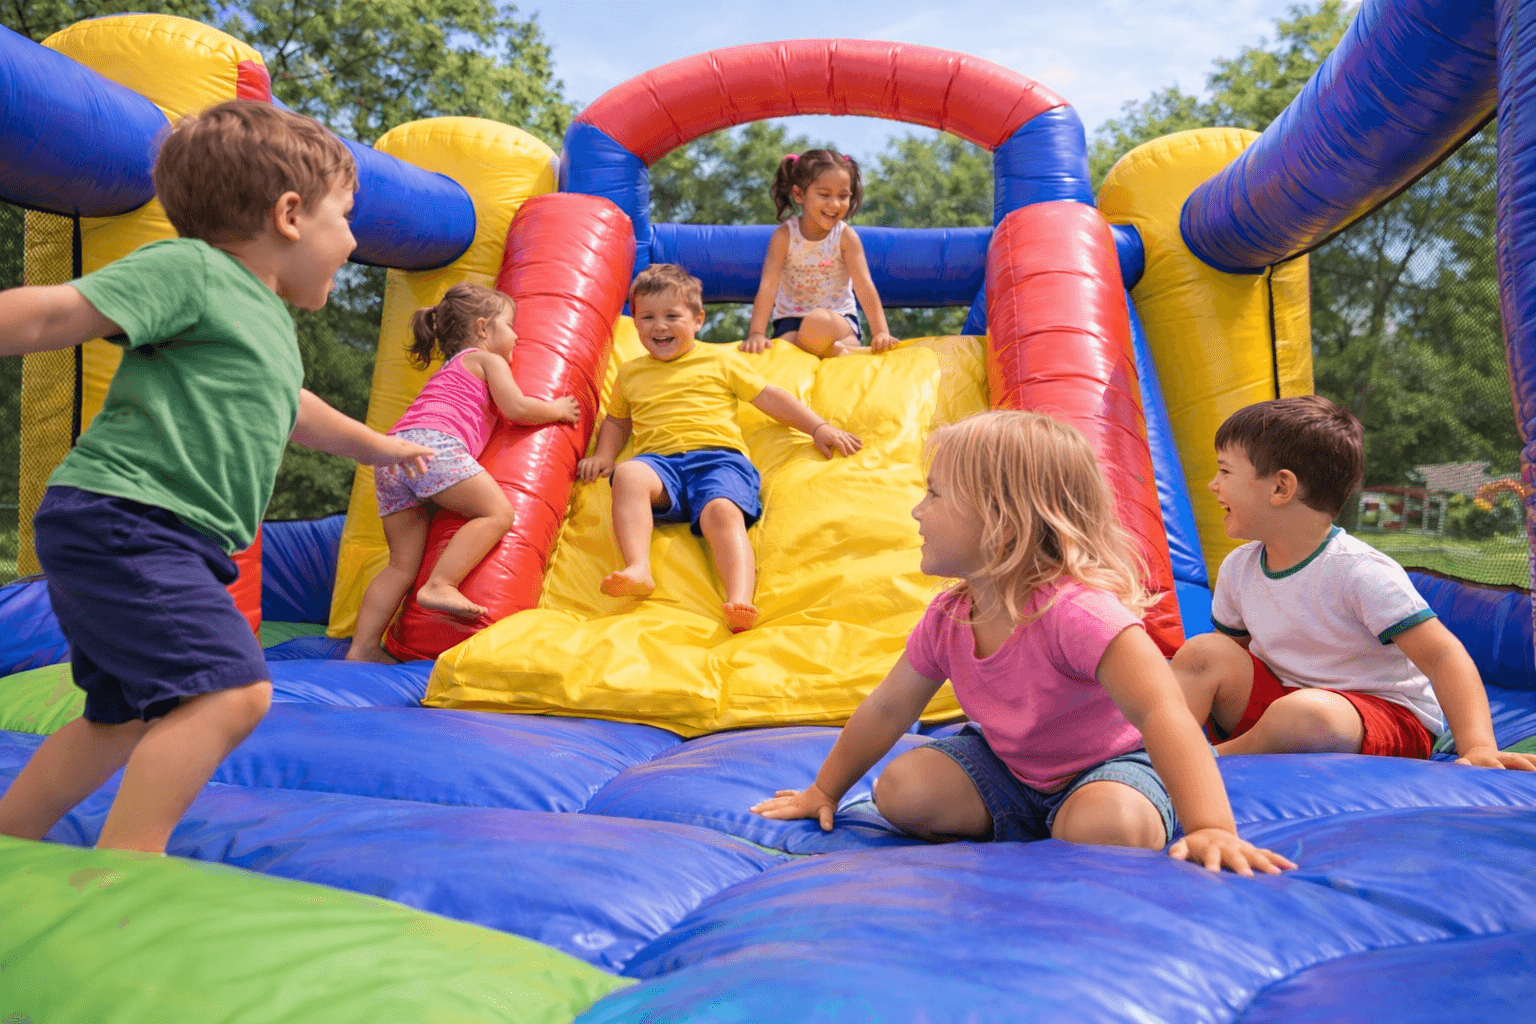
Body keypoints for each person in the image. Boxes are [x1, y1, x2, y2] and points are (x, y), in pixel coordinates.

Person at [0, 100, 436, 854]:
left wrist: (378, 447)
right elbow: (52, 316)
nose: (354, 241)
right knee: (232, 691)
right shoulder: (195, 271)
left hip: (155, 530)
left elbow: (294, 409)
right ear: (290, 215)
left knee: (123, 716)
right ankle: (129, 863)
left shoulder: (264, 322)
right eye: (346, 218)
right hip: (129, 517)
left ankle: (11, 837)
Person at [753, 410, 1294, 875]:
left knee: (1109, 824)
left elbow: (1164, 713)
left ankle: (1079, 818)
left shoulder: (1076, 613)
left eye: (935, 494)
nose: (918, 511)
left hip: (1108, 766)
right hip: (1008, 767)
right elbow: (889, 707)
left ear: (1003, 520)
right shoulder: (950, 616)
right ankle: (1038, 821)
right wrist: (824, 790)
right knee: (901, 790)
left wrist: (1211, 827)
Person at [1171, 395, 1536, 770]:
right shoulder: (1239, 567)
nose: (1214, 485)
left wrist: (1477, 747)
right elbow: (1231, 657)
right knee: (1204, 653)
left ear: (1281, 488)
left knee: (1304, 714)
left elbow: (1443, 656)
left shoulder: (1358, 571)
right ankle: (1153, 749)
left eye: (1225, 472)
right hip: (1285, 700)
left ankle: (1191, 766)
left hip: (1380, 716)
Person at [577, 264, 862, 632]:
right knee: (629, 474)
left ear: (698, 320)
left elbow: (769, 397)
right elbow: (617, 420)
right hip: (660, 465)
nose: (659, 326)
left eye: (671, 316)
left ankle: (740, 596)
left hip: (718, 460)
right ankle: (638, 566)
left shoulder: (720, 360)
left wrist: (817, 427)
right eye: (647, 317)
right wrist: (604, 455)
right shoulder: (631, 373)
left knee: (721, 512)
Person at [346, 282, 580, 662]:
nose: (517, 334)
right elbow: (517, 408)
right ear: (485, 328)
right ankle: (441, 582)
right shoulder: (487, 360)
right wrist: (557, 410)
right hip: (434, 447)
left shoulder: (451, 368)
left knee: (401, 566)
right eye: (510, 325)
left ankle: (362, 648)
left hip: (394, 457)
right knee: (498, 513)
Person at [741, 149, 899, 358]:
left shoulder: (845, 238)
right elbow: (768, 285)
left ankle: (843, 350)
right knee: (778, 352)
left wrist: (880, 333)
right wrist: (756, 334)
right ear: (799, 194)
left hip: (837, 323)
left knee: (817, 322)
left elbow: (864, 285)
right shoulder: (784, 236)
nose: (834, 204)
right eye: (824, 195)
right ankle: (834, 353)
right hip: (790, 323)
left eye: (843, 196)